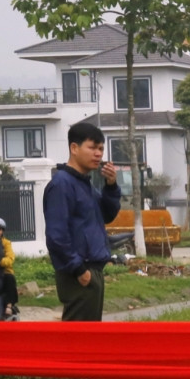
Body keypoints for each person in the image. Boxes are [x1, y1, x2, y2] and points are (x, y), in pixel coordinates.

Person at [44, 121, 121, 322]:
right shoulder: (62, 184)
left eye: (101, 149)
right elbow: (56, 236)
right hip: (78, 273)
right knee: (77, 336)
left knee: (90, 336)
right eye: (92, 147)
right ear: (74, 148)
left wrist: (111, 186)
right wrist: (79, 270)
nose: (98, 154)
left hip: (92, 270)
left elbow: (107, 215)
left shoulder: (84, 184)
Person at [0, 218, 18, 317]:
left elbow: (10, 259)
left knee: (9, 278)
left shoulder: (6, 243)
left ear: (2, 231)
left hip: (3, 270)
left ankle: (9, 306)